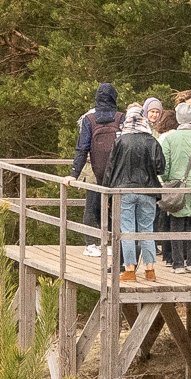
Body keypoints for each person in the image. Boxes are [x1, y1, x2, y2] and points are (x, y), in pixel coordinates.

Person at [107, 101, 166, 284]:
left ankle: (130, 270)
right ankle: (150, 270)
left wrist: (108, 192)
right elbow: (161, 167)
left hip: (124, 191)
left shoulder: (120, 141)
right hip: (147, 190)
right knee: (147, 230)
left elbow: (110, 168)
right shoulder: (151, 141)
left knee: (127, 231)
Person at [158, 100, 191, 271]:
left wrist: (167, 180)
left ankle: (178, 263)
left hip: (177, 186)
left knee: (176, 224)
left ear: (177, 118)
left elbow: (164, 166)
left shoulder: (170, 138)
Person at [68, 83, 121, 256]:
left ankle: (90, 244)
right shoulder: (121, 117)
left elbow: (82, 148)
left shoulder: (89, 119)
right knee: (116, 209)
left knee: (92, 208)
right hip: (118, 174)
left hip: (95, 172)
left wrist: (74, 173)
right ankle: (114, 243)